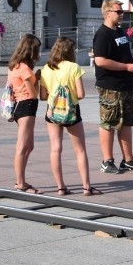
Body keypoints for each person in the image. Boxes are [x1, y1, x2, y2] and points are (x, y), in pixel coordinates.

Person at [93, 0, 133, 174]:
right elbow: (100, 60)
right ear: (108, 13)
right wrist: (126, 67)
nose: (122, 14)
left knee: (126, 123)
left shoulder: (120, 32)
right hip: (110, 85)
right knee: (109, 122)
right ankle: (107, 161)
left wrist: (132, 65)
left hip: (126, 84)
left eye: (123, 11)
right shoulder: (103, 34)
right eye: (118, 12)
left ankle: (128, 160)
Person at [39, 37, 101, 196]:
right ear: (69, 51)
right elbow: (80, 94)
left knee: (55, 149)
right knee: (80, 150)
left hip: (52, 112)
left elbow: (43, 96)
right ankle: (86, 187)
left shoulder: (46, 68)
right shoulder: (74, 67)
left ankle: (60, 187)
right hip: (71, 112)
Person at [8, 33, 42, 193]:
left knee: (29, 145)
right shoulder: (25, 69)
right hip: (27, 106)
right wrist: (38, 79)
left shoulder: (15, 65)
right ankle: (20, 183)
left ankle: (20, 179)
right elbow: (33, 94)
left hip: (21, 107)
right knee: (22, 147)